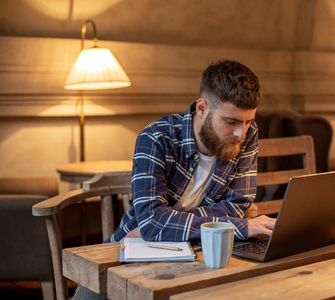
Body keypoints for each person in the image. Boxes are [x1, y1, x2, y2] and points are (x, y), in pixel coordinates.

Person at [73, 59, 275, 299]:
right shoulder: (156, 138)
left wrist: (167, 224)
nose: (241, 133)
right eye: (231, 121)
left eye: (248, 121)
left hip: (196, 250)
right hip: (132, 248)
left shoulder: (246, 134)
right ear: (202, 108)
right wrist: (233, 226)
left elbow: (238, 205)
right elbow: (152, 224)